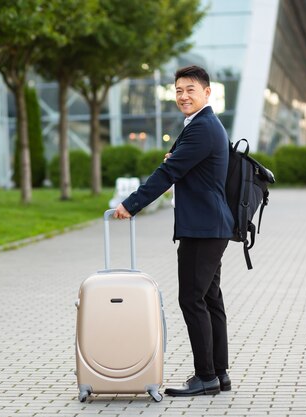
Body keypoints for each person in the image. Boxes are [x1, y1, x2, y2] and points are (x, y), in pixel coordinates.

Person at [113, 65, 234, 396]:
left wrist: (130, 204)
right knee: (210, 299)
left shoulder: (203, 127)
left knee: (192, 299)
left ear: (207, 93)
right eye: (178, 90)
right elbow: (181, 164)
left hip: (203, 228)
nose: (183, 96)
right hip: (211, 225)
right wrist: (176, 157)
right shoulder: (202, 126)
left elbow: (168, 172)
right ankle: (219, 375)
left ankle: (205, 376)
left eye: (190, 90)